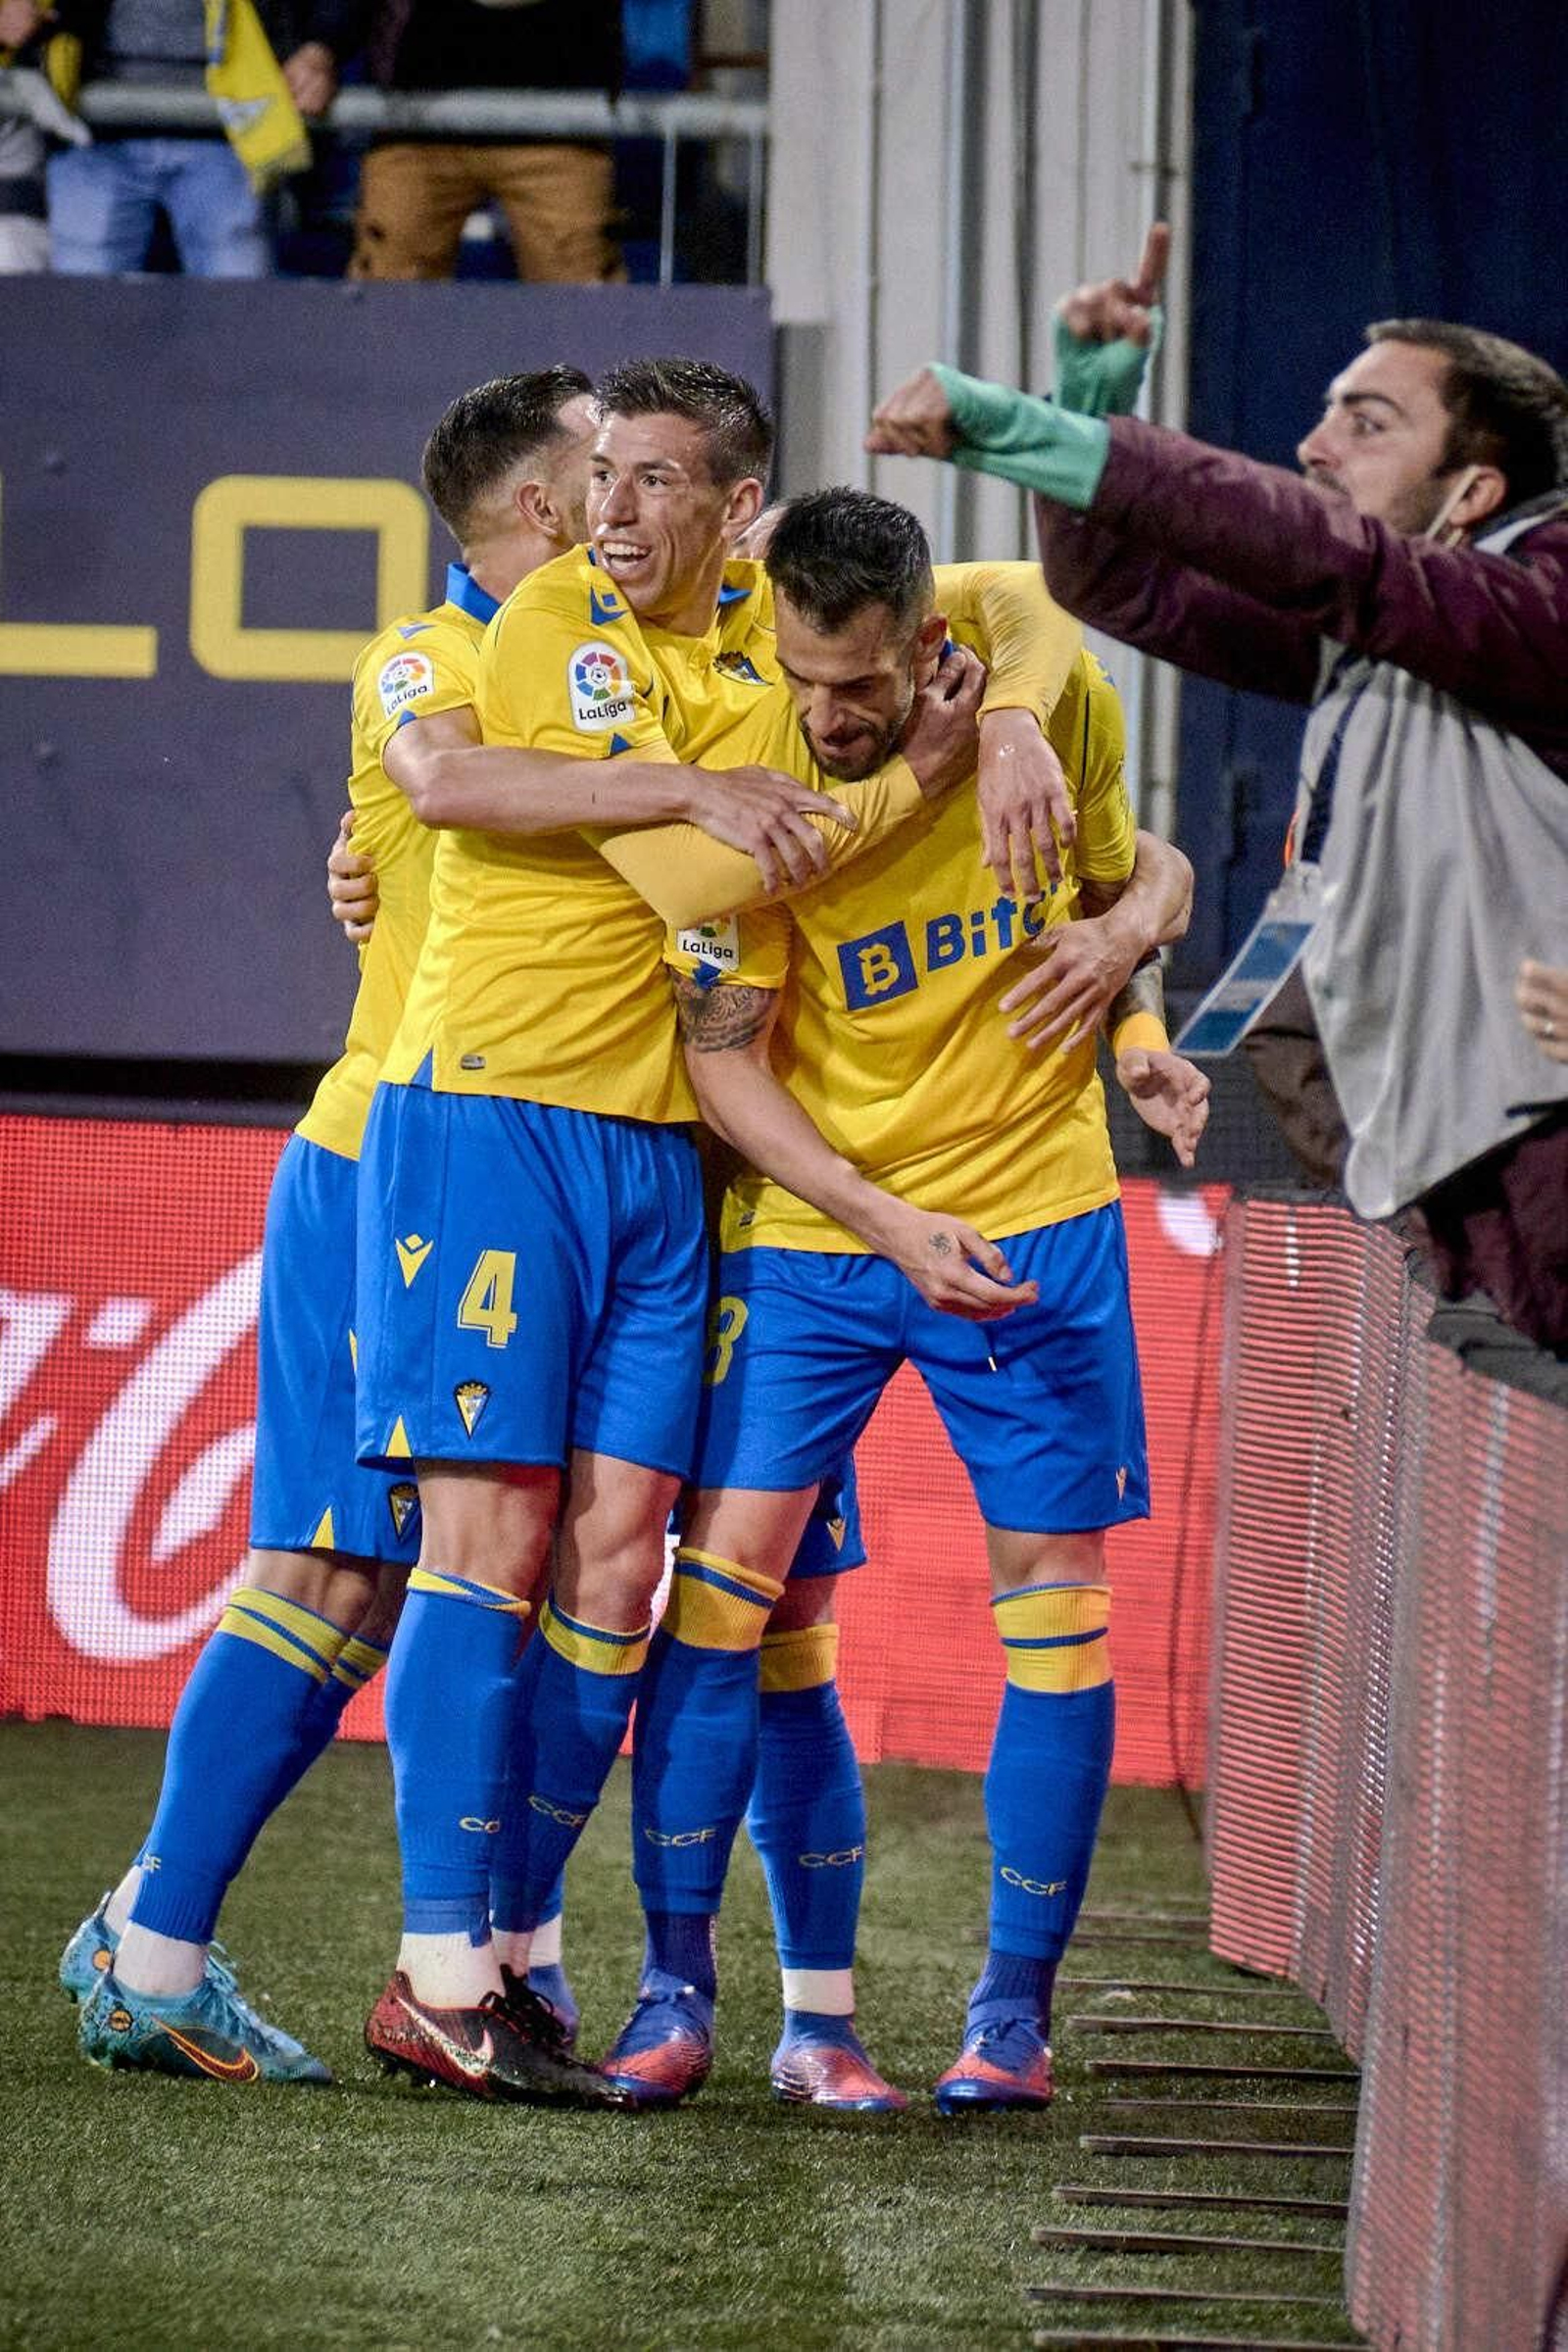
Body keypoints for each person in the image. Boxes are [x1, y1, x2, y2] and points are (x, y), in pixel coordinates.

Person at [612, 487, 1203, 2117]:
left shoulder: (1044, 696)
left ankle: (1012, 2021)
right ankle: (679, 1995)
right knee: (728, 1596)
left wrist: (1136, 1006)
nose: (829, 713)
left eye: (860, 684)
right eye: (806, 680)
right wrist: (886, 1222)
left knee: (1057, 1602)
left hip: (1032, 1219)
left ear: (926, 641)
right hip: (819, 1230)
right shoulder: (747, 771)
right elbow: (725, 1064)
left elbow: (1127, 882)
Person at [867, 232, 1568, 1353]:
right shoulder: (1400, 629)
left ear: (1473, 491)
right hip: (1484, 1202)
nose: (1314, 446)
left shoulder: (1538, 606)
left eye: (1367, 423)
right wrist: (1088, 403)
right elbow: (1127, 589)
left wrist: (1051, 436)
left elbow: (1337, 559)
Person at [45, 0, 358, 273]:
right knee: (80, 311)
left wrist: (321, 47)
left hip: (237, 129)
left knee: (237, 314)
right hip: (89, 126)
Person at [349, 0, 623, 284]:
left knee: (582, 300)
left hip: (563, 121)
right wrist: (324, 47)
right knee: (388, 297)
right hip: (415, 123)